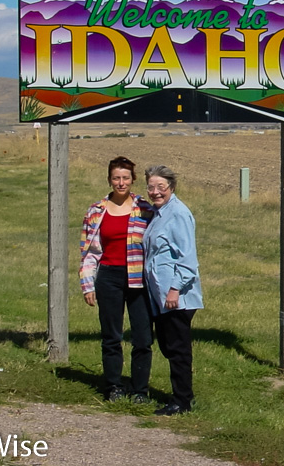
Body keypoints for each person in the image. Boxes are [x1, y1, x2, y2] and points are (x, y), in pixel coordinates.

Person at [79, 156, 154, 403]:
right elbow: (89, 251)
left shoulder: (146, 209)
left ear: (133, 180)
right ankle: (114, 386)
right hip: (109, 276)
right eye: (116, 178)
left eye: (125, 178)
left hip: (138, 277)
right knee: (111, 336)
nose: (121, 183)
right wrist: (88, 285)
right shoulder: (96, 210)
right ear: (109, 180)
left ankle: (140, 390)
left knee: (142, 338)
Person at [143, 165, 203, 416]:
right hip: (159, 296)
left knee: (177, 349)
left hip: (177, 297)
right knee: (168, 346)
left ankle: (182, 401)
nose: (156, 192)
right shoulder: (159, 213)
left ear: (172, 187)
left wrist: (174, 290)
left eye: (161, 187)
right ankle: (181, 395)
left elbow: (188, 259)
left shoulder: (178, 213)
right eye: (151, 187)